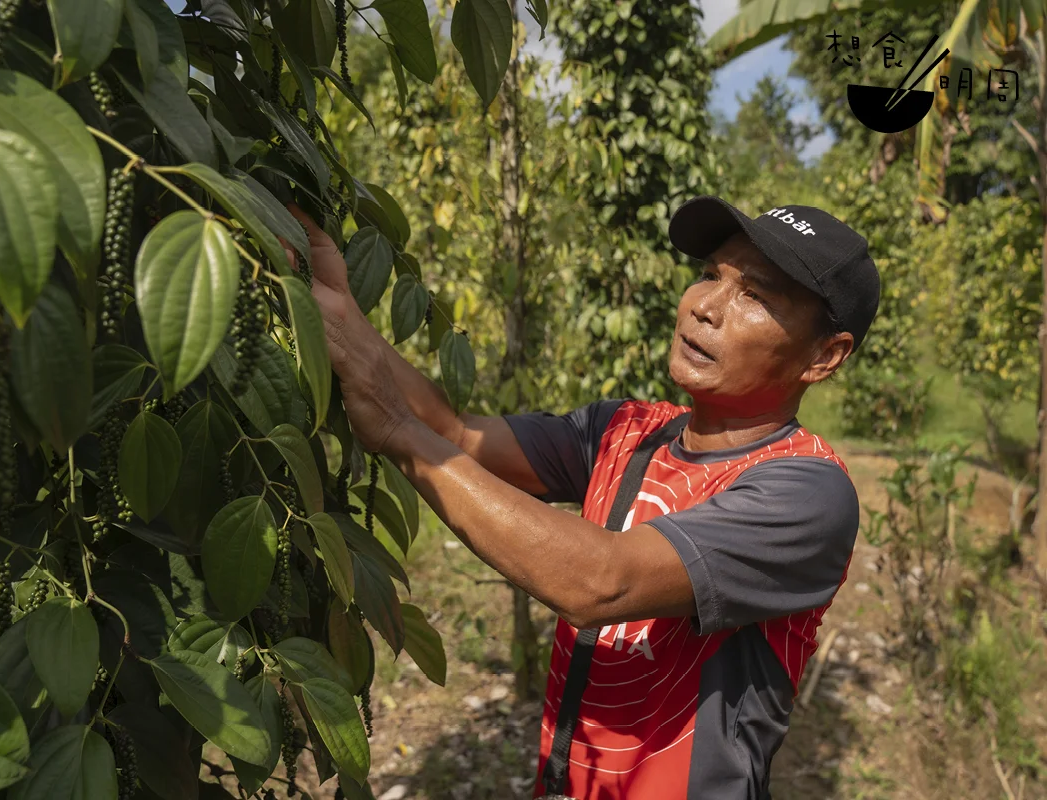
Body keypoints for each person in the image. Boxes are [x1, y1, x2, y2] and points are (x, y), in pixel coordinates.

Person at [287, 194, 880, 798]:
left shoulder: (807, 491)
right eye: (709, 275)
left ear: (824, 356)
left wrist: (394, 428)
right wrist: (341, 316)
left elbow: (600, 581)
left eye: (755, 295)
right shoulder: (625, 430)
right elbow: (457, 435)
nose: (704, 307)